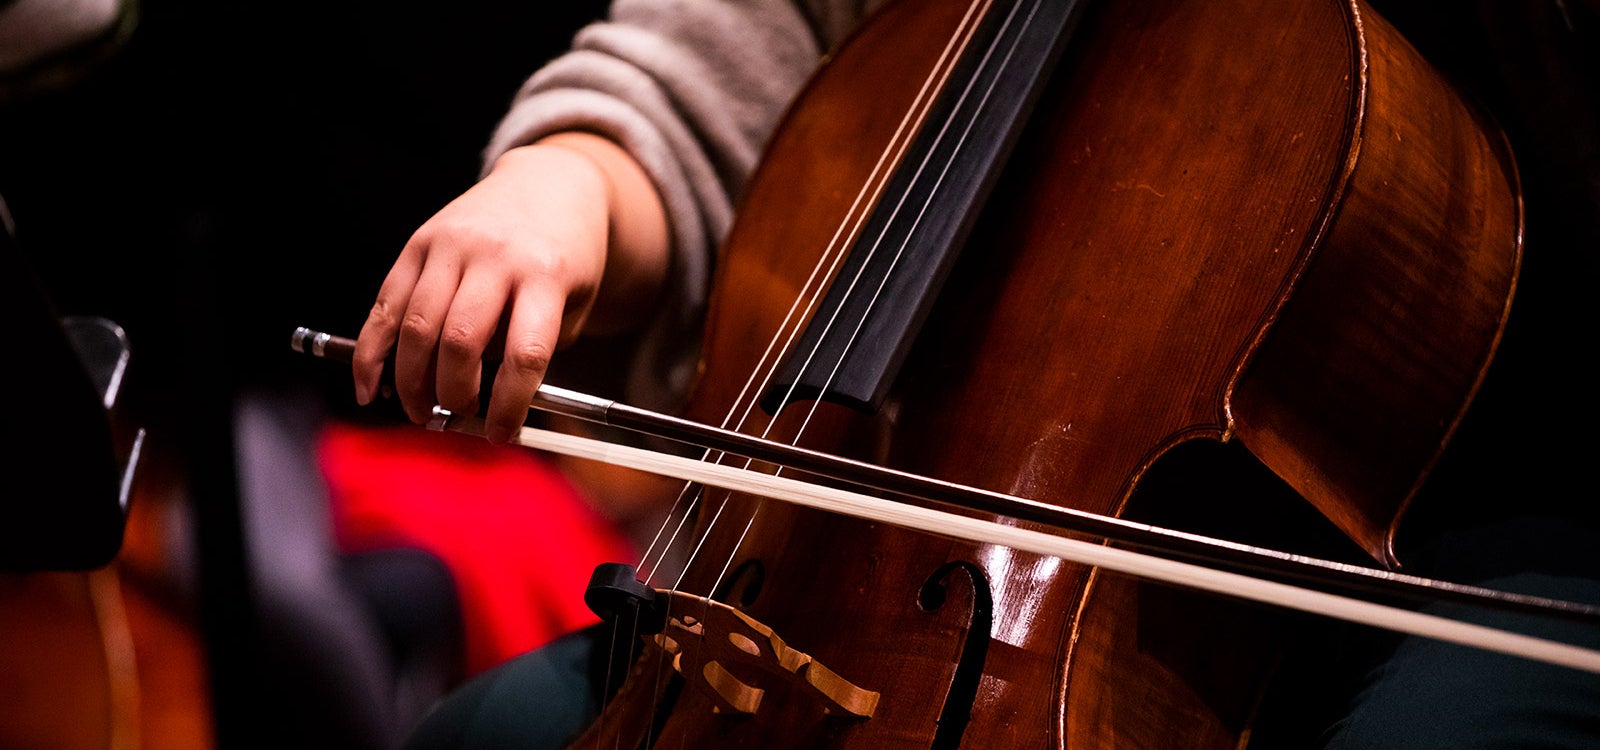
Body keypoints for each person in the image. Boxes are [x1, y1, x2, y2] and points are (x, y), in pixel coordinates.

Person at [351, 0, 1600, 748]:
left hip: (1494, 528)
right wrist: (565, 183)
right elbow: (732, 53)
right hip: (926, 523)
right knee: (494, 732)